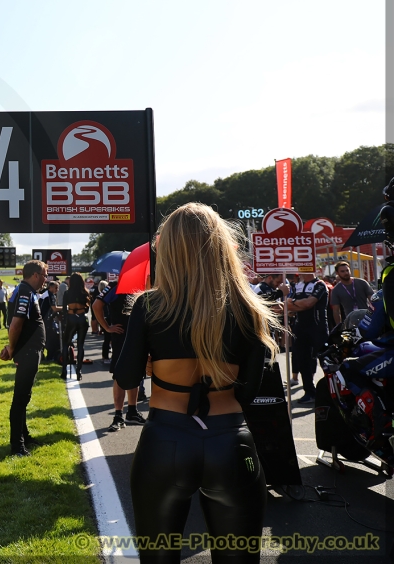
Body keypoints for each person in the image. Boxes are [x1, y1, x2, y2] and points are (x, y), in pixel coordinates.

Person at [114, 203, 279, 564]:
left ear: (168, 249)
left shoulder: (149, 306)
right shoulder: (248, 306)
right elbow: (251, 391)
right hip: (230, 440)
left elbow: (125, 377)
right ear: (221, 246)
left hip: (166, 439)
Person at [0, 260, 47, 457]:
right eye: (44, 275)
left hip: (29, 351)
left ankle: (24, 436)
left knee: (24, 397)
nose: (46, 279)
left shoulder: (27, 291)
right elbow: (16, 324)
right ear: (35, 275)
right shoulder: (26, 292)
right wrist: (11, 348)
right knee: (20, 398)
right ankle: (17, 446)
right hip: (27, 352)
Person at [93, 281, 145, 431]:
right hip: (121, 337)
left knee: (136, 373)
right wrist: (107, 327)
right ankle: (118, 415)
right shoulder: (116, 285)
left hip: (139, 336)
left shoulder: (143, 284)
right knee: (120, 374)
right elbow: (96, 305)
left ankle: (132, 411)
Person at [286, 271, 329, 402]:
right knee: (302, 361)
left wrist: (294, 302)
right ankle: (309, 392)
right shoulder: (297, 285)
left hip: (318, 327)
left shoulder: (320, 284)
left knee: (325, 360)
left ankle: (331, 392)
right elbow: (288, 307)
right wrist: (296, 304)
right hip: (300, 329)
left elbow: (308, 304)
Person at [60, 273, 91, 381]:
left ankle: (64, 370)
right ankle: (79, 371)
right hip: (82, 318)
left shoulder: (67, 293)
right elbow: (87, 309)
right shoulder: (85, 292)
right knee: (80, 345)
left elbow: (64, 309)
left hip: (71, 318)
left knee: (66, 343)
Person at [329, 261, 373, 326]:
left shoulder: (362, 283)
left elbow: (372, 300)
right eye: (342, 271)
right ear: (337, 273)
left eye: (347, 270)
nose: (346, 273)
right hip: (350, 321)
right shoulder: (336, 290)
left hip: (367, 318)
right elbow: (336, 311)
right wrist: (339, 325)